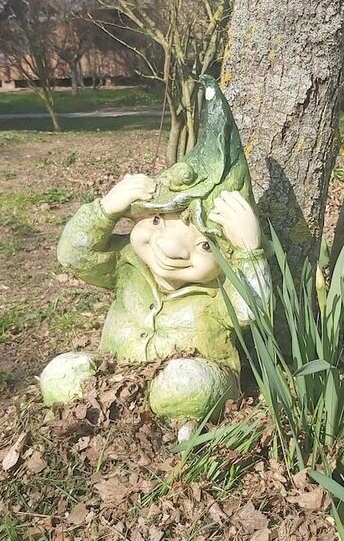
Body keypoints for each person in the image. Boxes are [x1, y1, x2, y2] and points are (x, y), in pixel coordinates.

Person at [39, 76, 271, 441]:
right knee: (62, 372)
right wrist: (105, 210)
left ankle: (179, 432)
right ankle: (82, 421)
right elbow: (74, 256)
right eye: (158, 220)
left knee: (186, 383)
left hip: (189, 377)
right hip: (116, 373)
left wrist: (248, 251)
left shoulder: (219, 291)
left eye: (205, 244)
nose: (172, 248)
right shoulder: (127, 264)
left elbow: (254, 310)